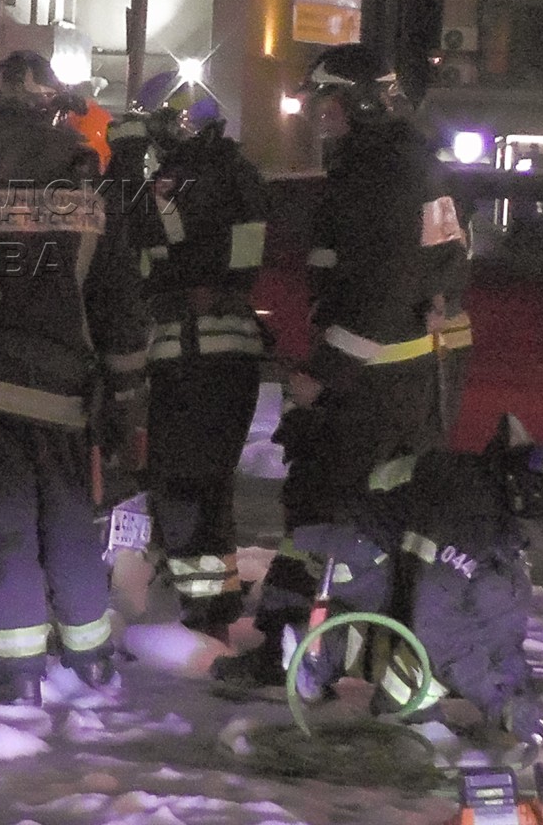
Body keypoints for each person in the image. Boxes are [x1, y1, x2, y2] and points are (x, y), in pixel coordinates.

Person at [216, 42, 473, 687]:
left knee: (324, 511)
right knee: (370, 514)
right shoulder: (405, 162)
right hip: (409, 381)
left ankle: (291, 652)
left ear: (354, 103)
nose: (315, 115)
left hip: (378, 384)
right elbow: (437, 272)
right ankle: (359, 651)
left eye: (324, 102)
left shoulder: (381, 173)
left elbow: (379, 291)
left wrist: (323, 374)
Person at [0, 50, 150, 707]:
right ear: (53, 115)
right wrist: (124, 392)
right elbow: (118, 304)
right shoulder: (91, 199)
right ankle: (91, 658)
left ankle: (15, 675)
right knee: (71, 525)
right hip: (70, 401)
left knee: (7, 532)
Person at [289, 415, 543, 746]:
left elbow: (499, 622)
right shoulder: (468, 512)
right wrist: (499, 702)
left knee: (477, 611)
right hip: (348, 546)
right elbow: (437, 625)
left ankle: (363, 672)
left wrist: (517, 687)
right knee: (440, 641)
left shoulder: (501, 512)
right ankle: (348, 670)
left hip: (390, 543)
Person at [123, 77, 272, 643]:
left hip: (197, 357)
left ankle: (205, 613)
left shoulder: (195, 181)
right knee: (205, 485)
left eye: (156, 121)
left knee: (183, 483)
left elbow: (172, 257)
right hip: (213, 358)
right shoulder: (228, 175)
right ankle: (216, 598)